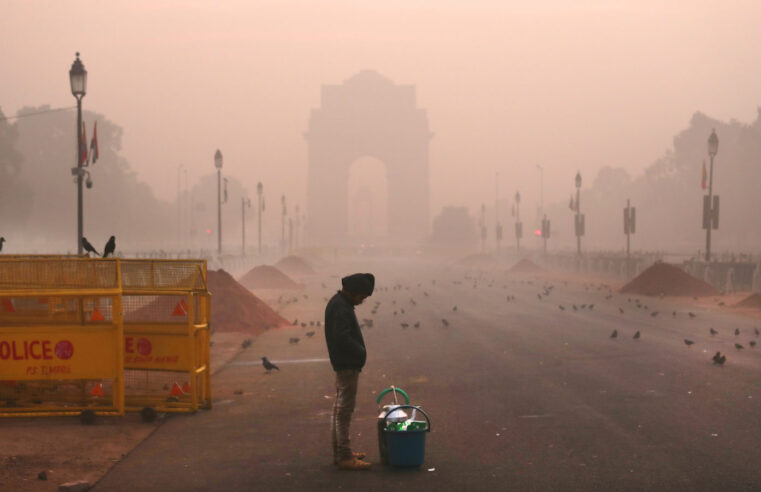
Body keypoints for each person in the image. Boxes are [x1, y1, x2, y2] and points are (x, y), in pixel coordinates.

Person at [324, 273, 374, 470]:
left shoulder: (339, 304)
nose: (362, 301)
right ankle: (344, 456)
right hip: (346, 364)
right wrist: (360, 352)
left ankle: (342, 451)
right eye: (361, 296)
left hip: (344, 362)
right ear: (353, 293)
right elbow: (342, 338)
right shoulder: (341, 308)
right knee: (343, 411)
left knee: (340, 410)